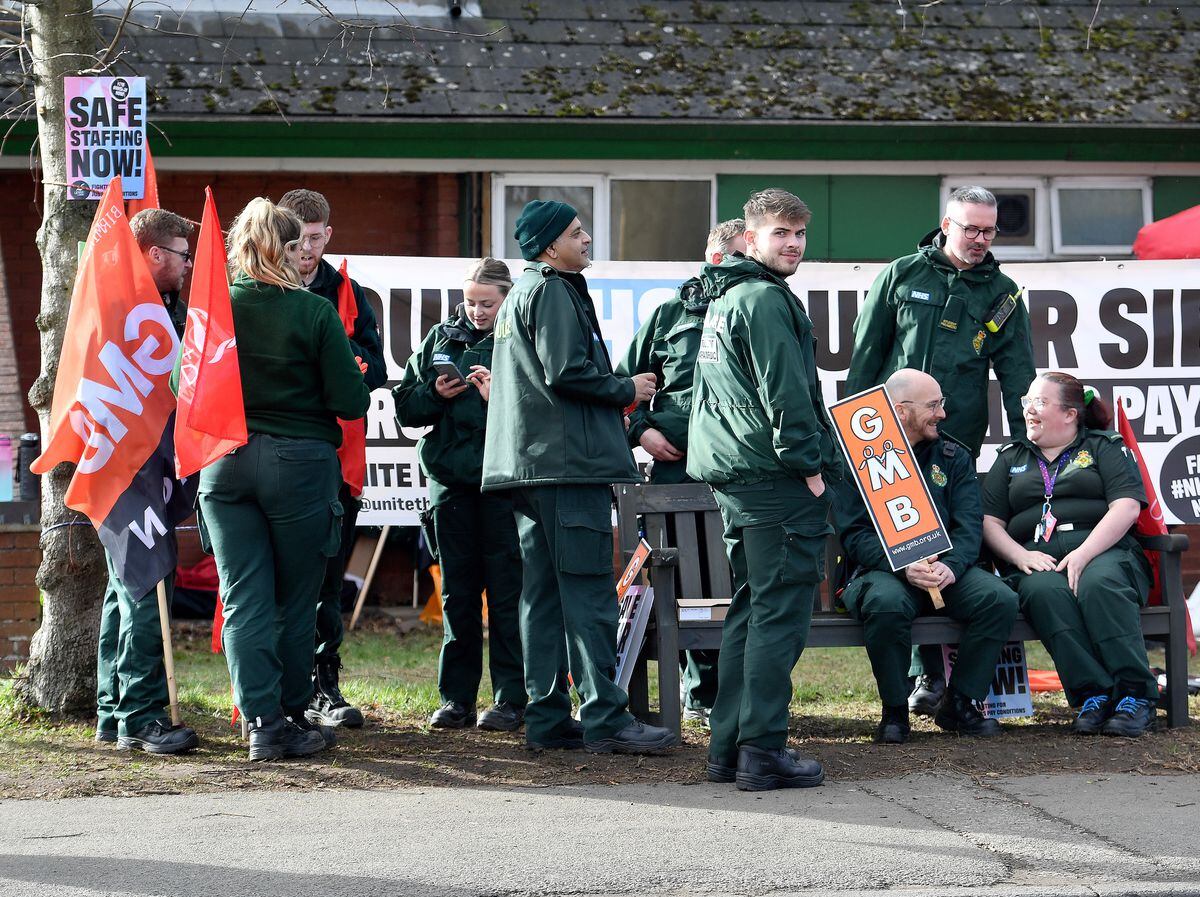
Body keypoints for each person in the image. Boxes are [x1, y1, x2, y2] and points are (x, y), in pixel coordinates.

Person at [481, 199, 674, 755]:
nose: (587, 238)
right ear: (548, 247)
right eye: (576, 231)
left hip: (532, 469)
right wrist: (626, 390)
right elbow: (567, 371)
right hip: (567, 468)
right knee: (589, 592)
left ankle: (547, 717)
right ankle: (607, 718)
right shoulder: (554, 290)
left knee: (540, 595)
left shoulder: (527, 291)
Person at [188, 198, 370, 761]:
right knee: (296, 600)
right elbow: (350, 399)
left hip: (225, 463)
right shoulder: (313, 312)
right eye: (299, 246)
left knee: (243, 598)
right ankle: (292, 712)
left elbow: (183, 383)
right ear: (290, 249)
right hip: (299, 464)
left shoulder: (216, 308)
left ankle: (261, 722)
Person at [845, 185, 1035, 717]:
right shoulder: (901, 275)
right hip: (885, 446)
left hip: (954, 444)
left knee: (952, 555)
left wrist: (1025, 448)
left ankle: (952, 684)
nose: (979, 239)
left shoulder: (1002, 293)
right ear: (946, 224)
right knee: (901, 556)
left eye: (990, 230)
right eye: (970, 228)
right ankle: (920, 676)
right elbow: (864, 363)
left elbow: (1018, 377)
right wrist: (852, 436)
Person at [687, 188, 841, 791]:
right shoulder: (764, 301)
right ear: (749, 239)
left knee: (750, 616)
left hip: (739, 478)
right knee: (777, 619)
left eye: (800, 233)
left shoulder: (730, 298)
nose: (794, 244)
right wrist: (808, 467)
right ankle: (763, 751)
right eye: (781, 233)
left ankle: (729, 750)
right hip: (774, 481)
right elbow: (788, 397)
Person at [833, 369, 1019, 743]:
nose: (942, 414)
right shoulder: (859, 457)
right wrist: (903, 564)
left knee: (999, 599)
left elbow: (968, 527)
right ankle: (894, 712)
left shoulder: (953, 455)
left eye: (941, 403)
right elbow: (854, 535)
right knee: (885, 603)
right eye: (933, 405)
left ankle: (961, 702)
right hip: (883, 571)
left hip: (946, 571)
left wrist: (950, 567)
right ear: (900, 411)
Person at [615, 218, 746, 728]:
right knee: (688, 574)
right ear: (717, 257)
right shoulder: (671, 313)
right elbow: (626, 386)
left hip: (737, 468)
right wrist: (642, 431)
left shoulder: (761, 307)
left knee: (735, 574)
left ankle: (735, 687)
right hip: (676, 471)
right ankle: (699, 688)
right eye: (741, 254)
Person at [982, 372, 1157, 737]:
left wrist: (1083, 553)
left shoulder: (1102, 446)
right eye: (1027, 401)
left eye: (1040, 402)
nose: (1029, 409)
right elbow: (988, 522)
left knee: (1100, 583)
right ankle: (1094, 694)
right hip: (1036, 558)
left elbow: (1126, 507)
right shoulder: (1011, 456)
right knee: (1044, 592)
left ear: (1070, 414)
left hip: (1103, 549)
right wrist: (1019, 556)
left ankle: (1136, 696)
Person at [393, 258, 525, 732]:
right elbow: (405, 407)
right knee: (457, 594)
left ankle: (513, 698)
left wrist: (499, 398)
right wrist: (436, 393)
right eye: (469, 301)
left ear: (508, 297)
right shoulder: (440, 339)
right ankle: (457, 700)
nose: (476, 311)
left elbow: (545, 408)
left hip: (505, 483)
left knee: (509, 593)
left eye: (486, 303)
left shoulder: (521, 339)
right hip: (450, 483)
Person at [277, 189, 386, 730]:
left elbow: (377, 367)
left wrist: (338, 362)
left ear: (328, 235)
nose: (308, 250)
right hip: (277, 454)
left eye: (317, 239)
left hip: (340, 460)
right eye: (298, 239)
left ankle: (325, 682)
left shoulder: (349, 293)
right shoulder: (258, 288)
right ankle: (271, 690)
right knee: (272, 578)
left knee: (327, 577)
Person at [96, 209, 199, 755]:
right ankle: (142, 716)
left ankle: (112, 710)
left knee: (123, 586)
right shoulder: (137, 311)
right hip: (133, 465)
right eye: (182, 254)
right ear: (154, 255)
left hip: (120, 467)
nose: (188, 264)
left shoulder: (130, 301)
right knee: (145, 582)